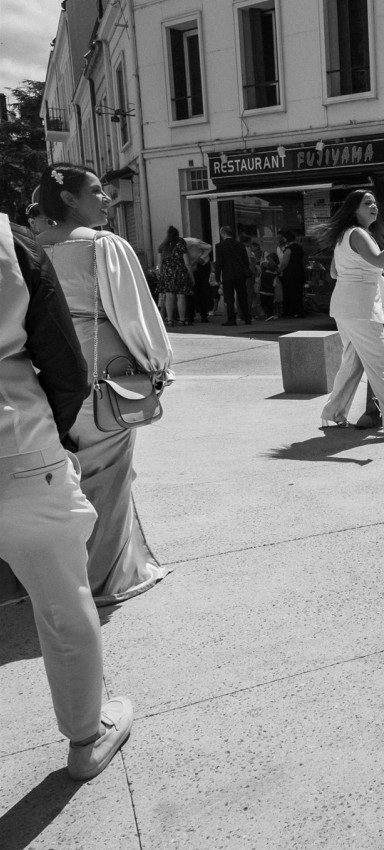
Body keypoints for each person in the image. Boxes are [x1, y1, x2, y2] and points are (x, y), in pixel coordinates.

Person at [0, 211, 134, 781]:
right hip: (18, 445)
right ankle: (85, 737)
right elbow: (66, 369)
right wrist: (51, 441)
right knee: (61, 598)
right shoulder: (14, 246)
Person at [36, 163, 174, 605]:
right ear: (70, 199)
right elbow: (135, 312)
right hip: (102, 371)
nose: (107, 198)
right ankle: (105, 579)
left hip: (45, 375)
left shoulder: (30, 247)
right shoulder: (104, 245)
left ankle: (63, 571)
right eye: (97, 191)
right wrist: (158, 364)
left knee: (67, 475)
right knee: (110, 474)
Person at [317, 190, 384, 440]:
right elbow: (381, 261)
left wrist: (360, 274)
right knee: (381, 365)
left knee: (352, 362)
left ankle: (334, 412)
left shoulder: (343, 235)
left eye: (375, 202)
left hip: (345, 308)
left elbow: (333, 272)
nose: (374, 206)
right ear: (354, 209)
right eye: (367, 203)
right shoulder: (359, 233)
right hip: (362, 309)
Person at [214, 226, 253, 326]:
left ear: (223, 234)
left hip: (228, 275)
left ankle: (231, 319)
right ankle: (247, 317)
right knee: (242, 297)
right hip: (240, 274)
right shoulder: (240, 245)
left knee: (229, 298)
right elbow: (245, 261)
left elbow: (218, 263)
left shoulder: (219, 246)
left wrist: (217, 277)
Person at [156, 225, 194, 326]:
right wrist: (191, 275)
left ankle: (170, 319)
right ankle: (182, 319)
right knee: (181, 296)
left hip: (167, 274)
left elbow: (159, 264)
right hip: (180, 273)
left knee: (169, 296)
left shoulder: (162, 246)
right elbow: (187, 263)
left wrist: (160, 274)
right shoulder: (181, 246)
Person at [279, 229, 307, 318]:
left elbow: (284, 263)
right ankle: (299, 311)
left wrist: (278, 270)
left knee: (289, 293)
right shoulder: (299, 248)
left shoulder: (288, 250)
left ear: (286, 238)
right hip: (299, 272)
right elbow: (304, 261)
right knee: (298, 293)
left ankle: (290, 311)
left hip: (290, 274)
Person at [258, 251, 280, 319]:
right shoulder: (274, 274)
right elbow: (275, 283)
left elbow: (260, 282)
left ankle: (268, 314)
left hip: (263, 291)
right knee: (270, 304)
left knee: (264, 304)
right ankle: (271, 314)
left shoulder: (264, 274)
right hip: (271, 292)